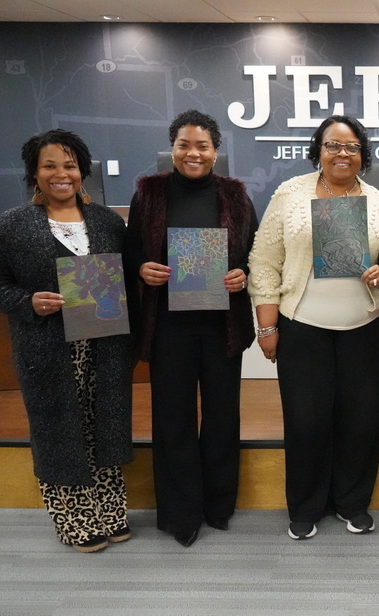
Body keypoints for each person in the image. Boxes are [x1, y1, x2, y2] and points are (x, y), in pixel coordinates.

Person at [0, 129, 135, 552]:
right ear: (34, 172)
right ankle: (76, 519)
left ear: (82, 171)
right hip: (48, 348)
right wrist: (28, 301)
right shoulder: (10, 225)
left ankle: (109, 511)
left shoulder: (106, 220)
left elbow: (125, 276)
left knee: (103, 425)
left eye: (70, 166)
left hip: (104, 344)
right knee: (60, 430)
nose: (61, 174)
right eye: (50, 166)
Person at [248, 115, 379, 540]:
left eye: (351, 146)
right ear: (318, 150)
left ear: (362, 154)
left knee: (361, 420)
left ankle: (352, 502)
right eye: (333, 145)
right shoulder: (289, 195)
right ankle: (306, 505)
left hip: (363, 327)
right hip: (301, 326)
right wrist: (266, 323)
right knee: (305, 420)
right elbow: (263, 259)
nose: (342, 153)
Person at [125, 110, 257, 548]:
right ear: (173, 148)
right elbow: (129, 254)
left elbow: (256, 256)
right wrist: (142, 268)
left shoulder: (236, 196)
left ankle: (218, 506)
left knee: (222, 417)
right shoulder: (149, 194)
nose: (193, 153)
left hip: (223, 327)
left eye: (202, 145)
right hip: (168, 327)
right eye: (184, 144)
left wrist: (242, 275)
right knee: (173, 420)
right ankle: (181, 514)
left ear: (215, 151)